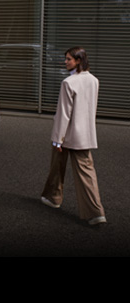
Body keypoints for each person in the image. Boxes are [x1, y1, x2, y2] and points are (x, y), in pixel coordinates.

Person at [41, 46, 107, 226]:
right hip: (85, 134)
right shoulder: (94, 80)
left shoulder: (68, 83)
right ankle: (95, 213)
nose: (65, 62)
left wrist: (57, 139)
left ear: (78, 60)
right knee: (85, 172)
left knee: (57, 166)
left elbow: (64, 114)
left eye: (68, 59)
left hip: (67, 134)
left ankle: (55, 198)